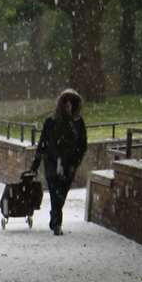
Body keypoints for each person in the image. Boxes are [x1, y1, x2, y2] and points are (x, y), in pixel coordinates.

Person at [30, 88, 88, 235]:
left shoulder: (78, 123)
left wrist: (75, 161)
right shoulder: (50, 122)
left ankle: (54, 216)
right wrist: (34, 166)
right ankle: (57, 224)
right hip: (52, 163)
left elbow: (82, 144)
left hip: (69, 164)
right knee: (55, 193)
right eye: (66, 104)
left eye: (71, 104)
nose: (69, 107)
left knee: (62, 193)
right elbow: (43, 144)